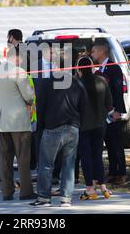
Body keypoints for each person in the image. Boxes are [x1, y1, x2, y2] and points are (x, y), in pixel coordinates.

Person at [30, 52, 86, 208]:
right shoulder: (77, 83)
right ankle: (66, 198)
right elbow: (84, 106)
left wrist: (40, 126)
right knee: (69, 163)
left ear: (55, 65)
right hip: (73, 127)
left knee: (46, 164)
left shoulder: (47, 83)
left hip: (52, 128)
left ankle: (44, 197)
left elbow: (40, 106)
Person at [0, 46, 36, 201]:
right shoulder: (19, 72)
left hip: (2, 120)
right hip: (19, 120)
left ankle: (7, 191)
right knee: (23, 158)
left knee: (5, 159)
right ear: (16, 58)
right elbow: (29, 96)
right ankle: (26, 191)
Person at [91, 40, 127, 185]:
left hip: (113, 112)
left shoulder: (113, 68)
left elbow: (118, 91)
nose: (92, 54)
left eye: (94, 51)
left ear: (102, 52)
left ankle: (121, 172)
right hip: (103, 113)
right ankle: (113, 172)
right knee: (109, 143)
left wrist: (118, 110)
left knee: (116, 143)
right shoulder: (101, 68)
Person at [77, 57, 113, 200]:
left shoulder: (77, 84)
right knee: (97, 155)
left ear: (79, 69)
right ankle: (103, 186)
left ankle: (90, 189)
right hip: (100, 124)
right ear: (92, 67)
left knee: (86, 157)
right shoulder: (102, 81)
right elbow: (109, 104)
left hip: (83, 126)